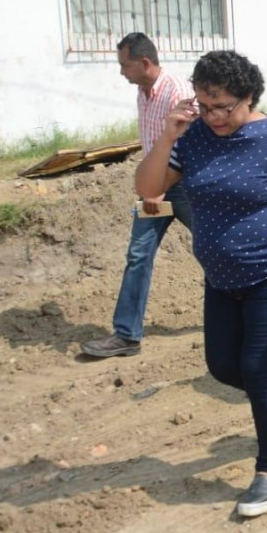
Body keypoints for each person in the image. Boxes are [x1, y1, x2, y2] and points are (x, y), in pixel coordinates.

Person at [134, 50, 267, 517]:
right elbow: (147, 189)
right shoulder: (193, 139)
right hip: (221, 278)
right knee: (224, 368)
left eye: (224, 106)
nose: (214, 116)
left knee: (259, 371)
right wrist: (169, 133)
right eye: (205, 106)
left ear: (249, 97)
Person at [81, 33, 195, 358]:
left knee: (215, 250)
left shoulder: (178, 91)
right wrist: (152, 186)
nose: (121, 72)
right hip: (154, 190)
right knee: (138, 256)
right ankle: (127, 335)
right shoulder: (143, 94)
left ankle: (261, 304)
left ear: (145, 63)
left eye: (124, 65)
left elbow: (188, 145)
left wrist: (161, 185)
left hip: (184, 187)